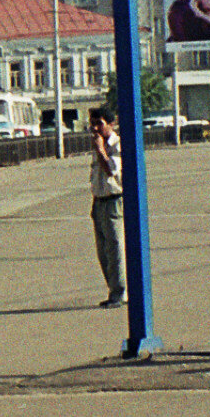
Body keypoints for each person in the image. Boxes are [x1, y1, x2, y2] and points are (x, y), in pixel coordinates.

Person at [86, 110, 125, 306]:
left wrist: (101, 150)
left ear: (111, 123)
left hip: (114, 200)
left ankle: (119, 293)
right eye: (91, 124)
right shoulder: (96, 144)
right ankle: (113, 289)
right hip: (99, 201)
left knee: (115, 247)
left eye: (99, 124)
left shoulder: (116, 145)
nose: (94, 128)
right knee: (103, 251)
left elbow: (110, 169)